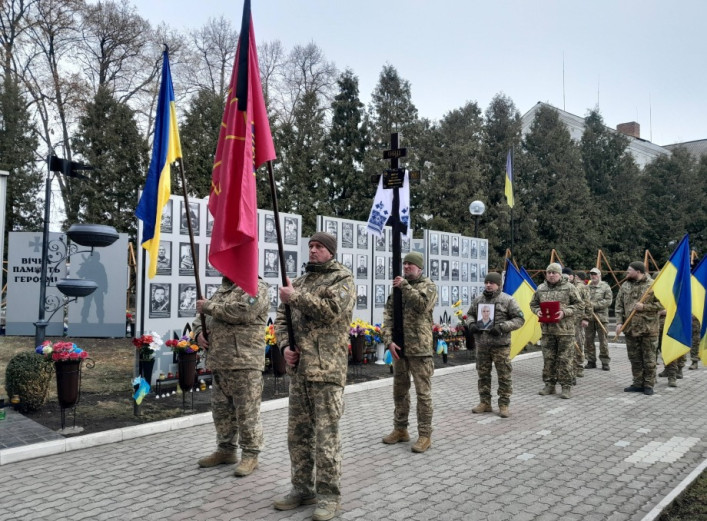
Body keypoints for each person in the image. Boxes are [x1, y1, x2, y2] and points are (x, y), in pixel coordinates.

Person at [272, 232, 354, 521]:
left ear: (330, 251)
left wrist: (294, 297)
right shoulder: (300, 281)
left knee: (326, 437)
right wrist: (285, 347)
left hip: (327, 370)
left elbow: (331, 311)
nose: (313, 250)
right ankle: (302, 488)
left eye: (319, 246)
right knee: (298, 435)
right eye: (311, 246)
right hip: (300, 372)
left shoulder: (342, 279)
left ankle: (329, 496)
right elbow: (281, 320)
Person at [193, 277, 269, 477]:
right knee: (221, 410)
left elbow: (243, 312)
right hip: (220, 361)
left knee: (247, 412)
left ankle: (251, 454)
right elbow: (201, 317)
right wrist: (198, 333)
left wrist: (208, 306)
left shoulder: (255, 286)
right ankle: (226, 450)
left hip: (245, 361)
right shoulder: (224, 289)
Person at [381, 251, 438, 453]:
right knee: (399, 391)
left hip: (420, 349)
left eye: (410, 264)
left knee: (423, 394)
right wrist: (388, 341)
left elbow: (422, 305)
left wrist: (404, 286)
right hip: (400, 348)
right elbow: (388, 316)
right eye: (404, 264)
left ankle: (425, 435)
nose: (406, 267)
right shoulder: (397, 288)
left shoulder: (428, 286)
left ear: (419, 268)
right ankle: (400, 429)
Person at [467, 272, 524, 418]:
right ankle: (485, 403)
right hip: (482, 344)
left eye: (491, 283)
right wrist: (471, 324)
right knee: (483, 375)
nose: (488, 285)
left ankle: (504, 405)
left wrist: (502, 327)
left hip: (500, 345)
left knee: (504, 376)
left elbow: (519, 319)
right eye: (486, 282)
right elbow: (470, 314)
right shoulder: (478, 300)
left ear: (498, 284)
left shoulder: (508, 300)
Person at [530, 263, 582, 399]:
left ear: (560, 274)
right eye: (549, 273)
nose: (551, 275)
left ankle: (566, 387)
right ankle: (549, 385)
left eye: (554, 273)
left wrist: (565, 312)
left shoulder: (569, 287)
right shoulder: (541, 288)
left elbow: (579, 305)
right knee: (548, 359)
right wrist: (537, 311)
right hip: (547, 331)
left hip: (565, 331)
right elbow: (533, 304)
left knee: (565, 360)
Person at [615, 261, 663, 395]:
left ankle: (648, 384)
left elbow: (663, 304)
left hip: (648, 329)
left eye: (629, 270)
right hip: (630, 329)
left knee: (649, 359)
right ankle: (637, 383)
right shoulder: (625, 285)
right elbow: (619, 305)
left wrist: (645, 307)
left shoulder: (653, 285)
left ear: (638, 271)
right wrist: (619, 323)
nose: (627, 272)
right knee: (634, 358)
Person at [563, 267, 590, 381]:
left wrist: (586, 318)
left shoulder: (580, 287)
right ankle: (569, 368)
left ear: (572, 276)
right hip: (565, 321)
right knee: (568, 345)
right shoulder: (561, 287)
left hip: (578, 320)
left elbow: (587, 303)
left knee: (578, 343)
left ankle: (579, 367)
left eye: (567, 276)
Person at [585, 267, 613, 371]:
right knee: (589, 341)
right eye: (591, 274)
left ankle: (605, 362)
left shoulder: (605, 287)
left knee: (603, 341)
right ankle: (591, 361)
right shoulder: (586, 288)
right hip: (589, 318)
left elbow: (608, 301)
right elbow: (582, 300)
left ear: (599, 275)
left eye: (595, 274)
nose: (593, 276)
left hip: (601, 318)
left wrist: (594, 305)